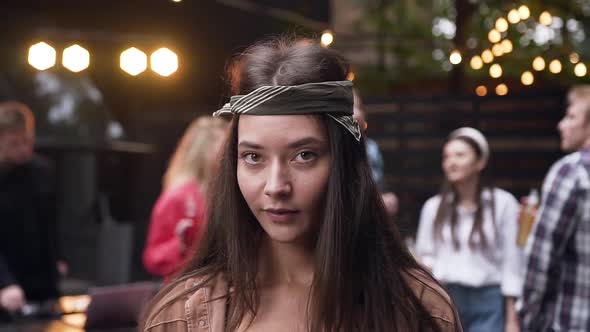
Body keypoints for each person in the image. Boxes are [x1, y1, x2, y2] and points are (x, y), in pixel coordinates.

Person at [141, 37, 461, 332]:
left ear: (343, 163)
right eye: (254, 157)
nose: (276, 185)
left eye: (304, 155)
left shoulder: (418, 310)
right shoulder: (180, 316)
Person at [415, 127, 522, 332]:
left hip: (489, 302)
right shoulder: (433, 207)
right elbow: (424, 257)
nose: (451, 162)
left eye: (460, 155)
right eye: (446, 156)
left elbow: (512, 264)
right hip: (445, 298)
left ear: (480, 162)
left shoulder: (504, 204)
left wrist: (512, 320)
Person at [519, 85, 590, 332]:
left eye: (571, 117)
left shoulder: (573, 172)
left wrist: (528, 318)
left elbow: (541, 258)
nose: (561, 125)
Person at [143, 116, 227, 278]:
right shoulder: (179, 196)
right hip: (187, 289)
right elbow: (153, 257)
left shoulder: (222, 191)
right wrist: (178, 245)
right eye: (221, 144)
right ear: (203, 149)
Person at [0, 101, 61, 313]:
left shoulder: (42, 171)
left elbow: (51, 224)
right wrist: (5, 283)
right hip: (7, 283)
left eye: (27, 141)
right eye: (15, 143)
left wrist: (59, 259)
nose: (24, 149)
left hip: (42, 283)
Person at [352, 89, 399, 217]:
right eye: (349, 107)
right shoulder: (327, 151)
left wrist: (386, 199)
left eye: (359, 107)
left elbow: (380, 185)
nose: (356, 113)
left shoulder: (372, 148)